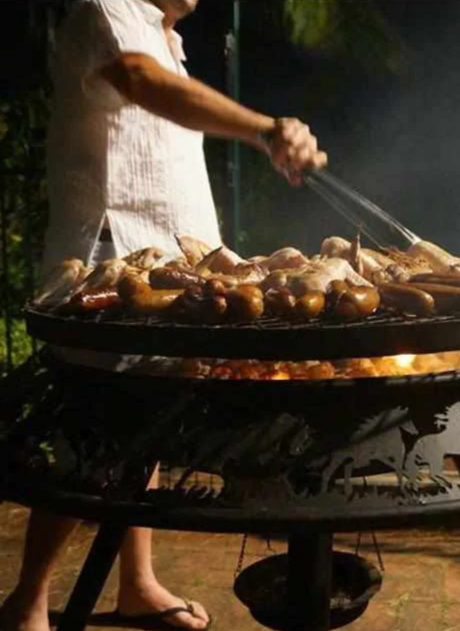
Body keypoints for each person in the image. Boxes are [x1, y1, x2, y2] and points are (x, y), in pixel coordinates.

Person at [0, 1, 327, 631]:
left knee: (149, 421)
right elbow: (142, 82)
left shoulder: (166, 38)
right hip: (110, 255)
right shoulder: (105, 8)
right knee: (90, 431)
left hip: (174, 264)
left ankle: (137, 584)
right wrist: (264, 129)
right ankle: (28, 601)